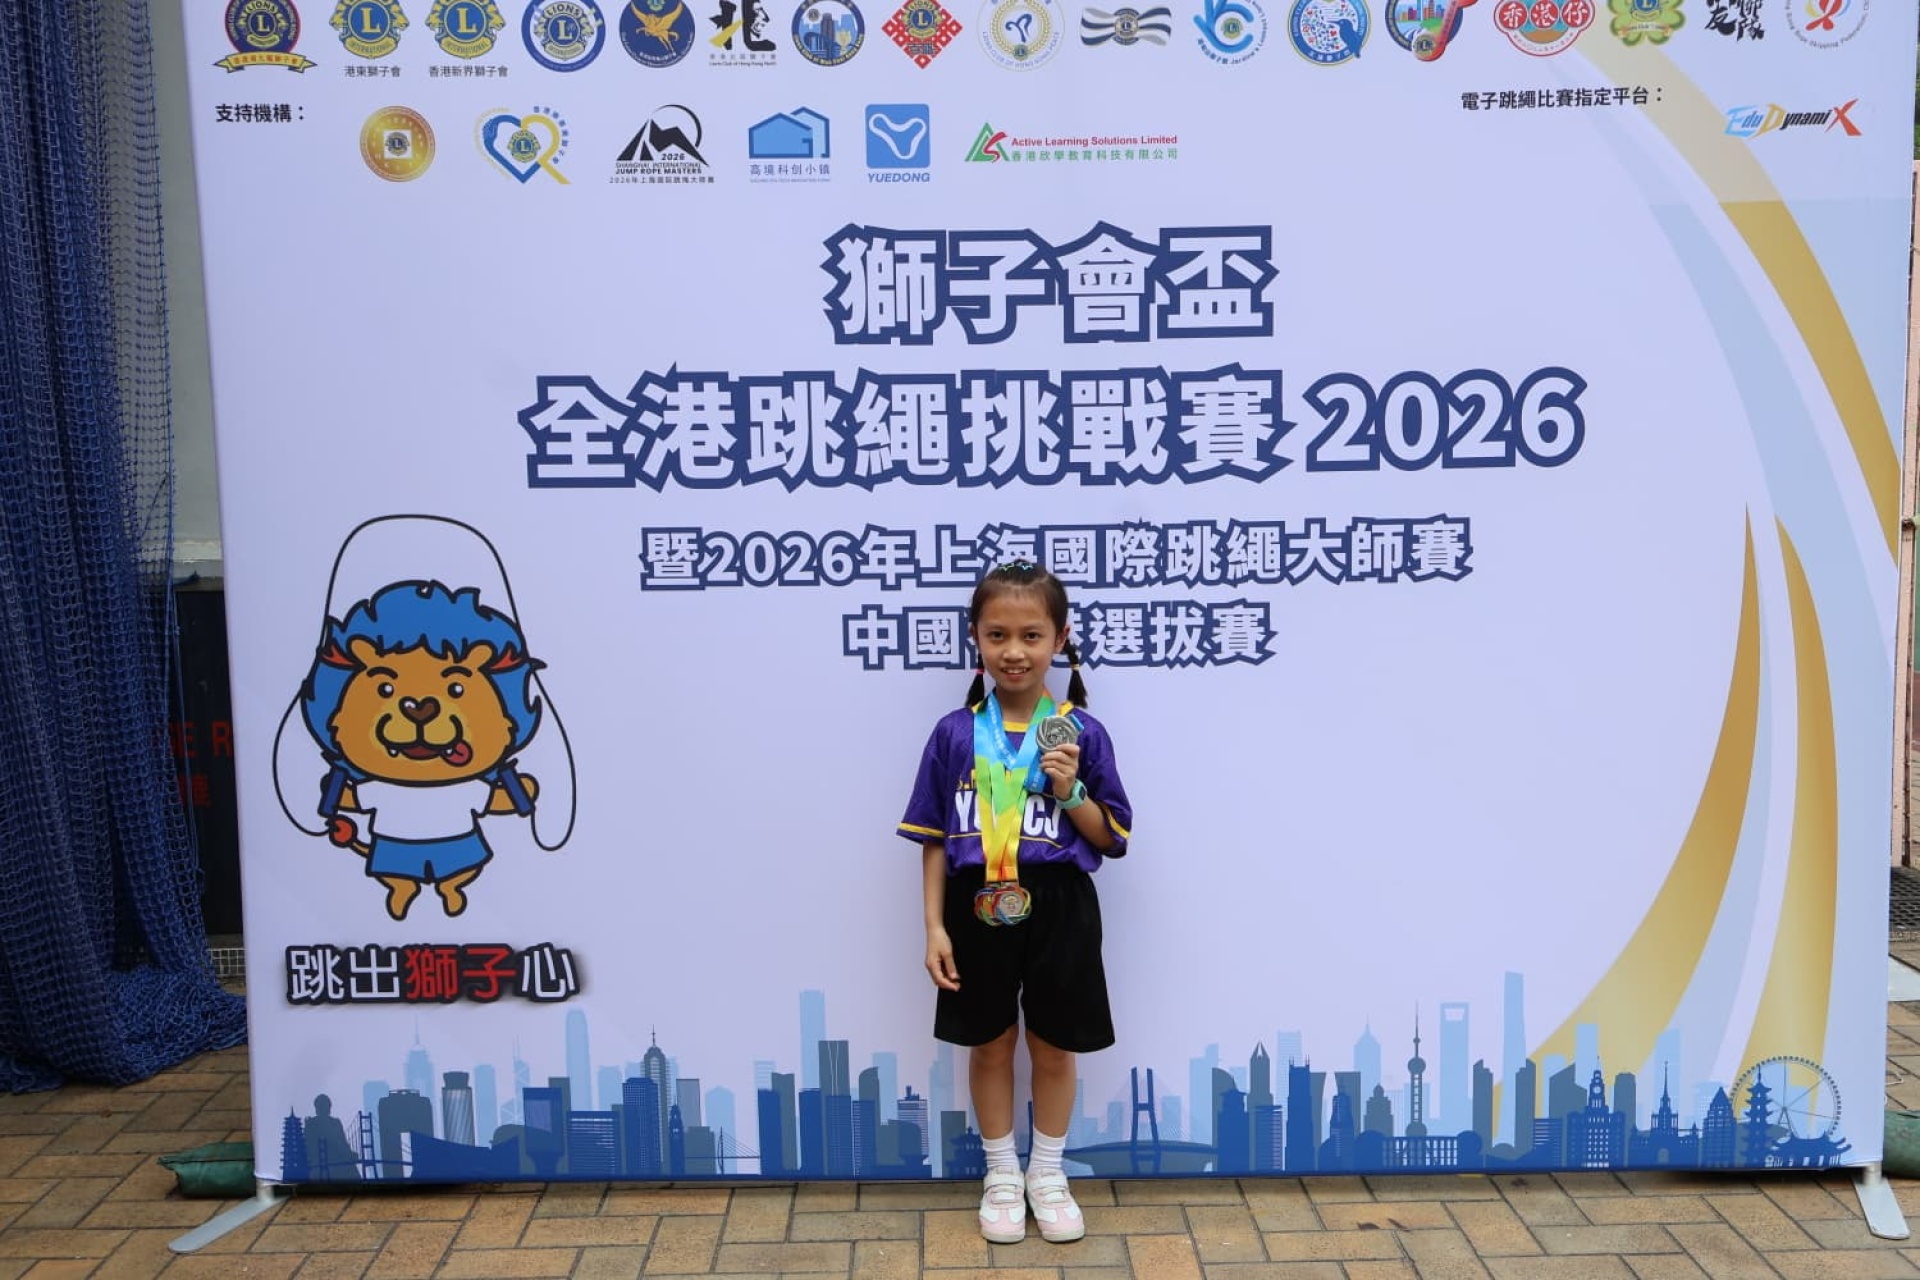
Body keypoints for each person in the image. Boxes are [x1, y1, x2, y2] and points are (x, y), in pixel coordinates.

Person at [897, 559, 1132, 1244]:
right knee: (991, 1043)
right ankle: (1002, 1171)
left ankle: (1047, 1173)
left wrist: (1069, 791)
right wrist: (934, 926)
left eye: (1032, 635)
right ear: (975, 636)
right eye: (997, 634)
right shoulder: (954, 733)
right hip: (976, 903)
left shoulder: (1082, 732)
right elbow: (933, 839)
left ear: (1060, 638)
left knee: (1055, 1046)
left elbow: (1112, 838)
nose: (1014, 651)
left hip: (1061, 904)